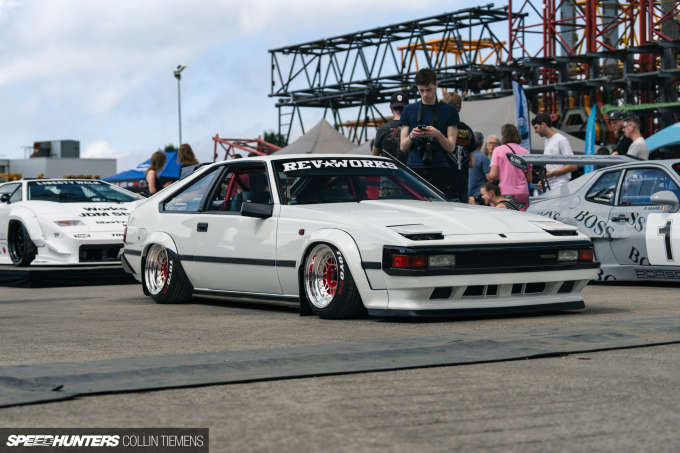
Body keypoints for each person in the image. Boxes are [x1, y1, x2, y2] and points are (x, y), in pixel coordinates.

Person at [400, 68, 460, 199]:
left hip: (439, 168)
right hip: (414, 169)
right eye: (421, 90)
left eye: (428, 90)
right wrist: (412, 136)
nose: (425, 94)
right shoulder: (408, 110)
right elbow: (403, 147)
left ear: (436, 85)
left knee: (441, 208)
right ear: (417, 87)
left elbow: (451, 147)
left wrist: (437, 134)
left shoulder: (450, 110)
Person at [487, 124, 533, 211]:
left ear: (503, 136)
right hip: (522, 193)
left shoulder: (498, 150)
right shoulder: (526, 152)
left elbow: (493, 175)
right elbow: (529, 179)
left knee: (503, 217)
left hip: (504, 193)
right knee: (521, 217)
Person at [442, 91, 475, 202]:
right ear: (460, 108)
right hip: (462, 184)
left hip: (444, 183)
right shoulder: (468, 130)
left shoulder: (441, 128)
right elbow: (471, 163)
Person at [531, 113, 577, 190]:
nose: (535, 131)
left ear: (543, 124)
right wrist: (545, 180)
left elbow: (573, 166)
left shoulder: (561, 140)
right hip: (550, 186)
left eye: (536, 127)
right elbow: (552, 167)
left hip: (560, 186)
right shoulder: (547, 141)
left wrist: (551, 174)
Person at [372, 91, 409, 165]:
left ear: (391, 107)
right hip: (410, 171)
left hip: (389, 171)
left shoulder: (382, 129)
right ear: (407, 107)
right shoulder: (414, 128)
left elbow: (375, 155)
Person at [468, 131, 490, 197]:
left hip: (466, 195)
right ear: (482, 143)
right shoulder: (483, 158)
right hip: (480, 196)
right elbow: (489, 178)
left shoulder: (464, 156)